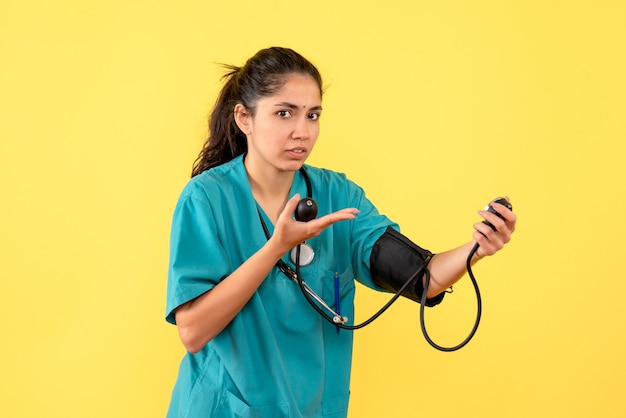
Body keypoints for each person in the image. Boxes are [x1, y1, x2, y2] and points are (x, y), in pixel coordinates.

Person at [165, 46, 516, 418]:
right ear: (244, 118)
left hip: (314, 408)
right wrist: (276, 247)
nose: (302, 131)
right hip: (225, 410)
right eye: (284, 113)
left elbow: (420, 277)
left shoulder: (339, 196)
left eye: (312, 115)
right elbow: (193, 331)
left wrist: (476, 249)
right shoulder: (206, 199)